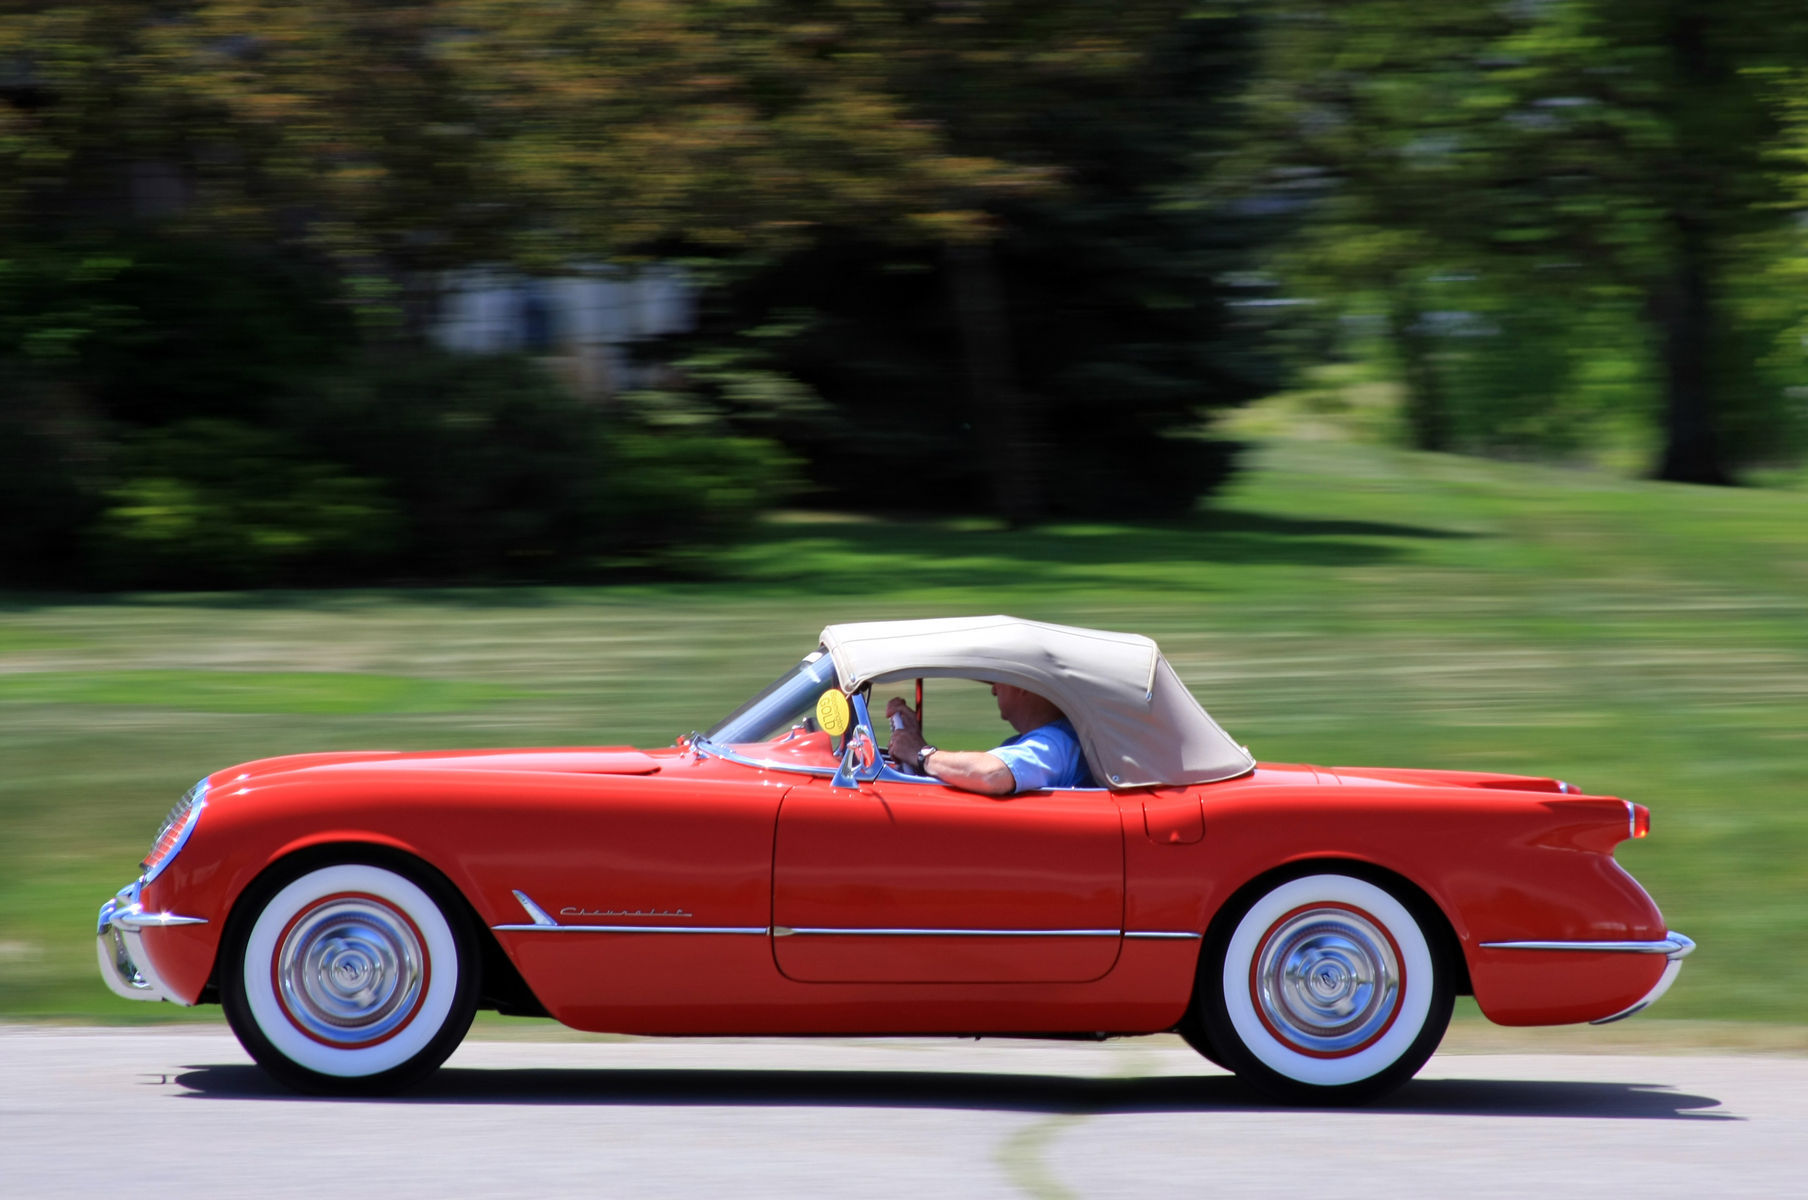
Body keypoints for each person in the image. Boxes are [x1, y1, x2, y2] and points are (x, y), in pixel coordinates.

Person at [884, 682, 1094, 795]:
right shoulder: (1032, 741)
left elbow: (992, 774)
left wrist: (921, 754)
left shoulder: (1056, 744)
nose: (993, 689)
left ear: (1022, 685)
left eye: (999, 680)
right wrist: (914, 748)